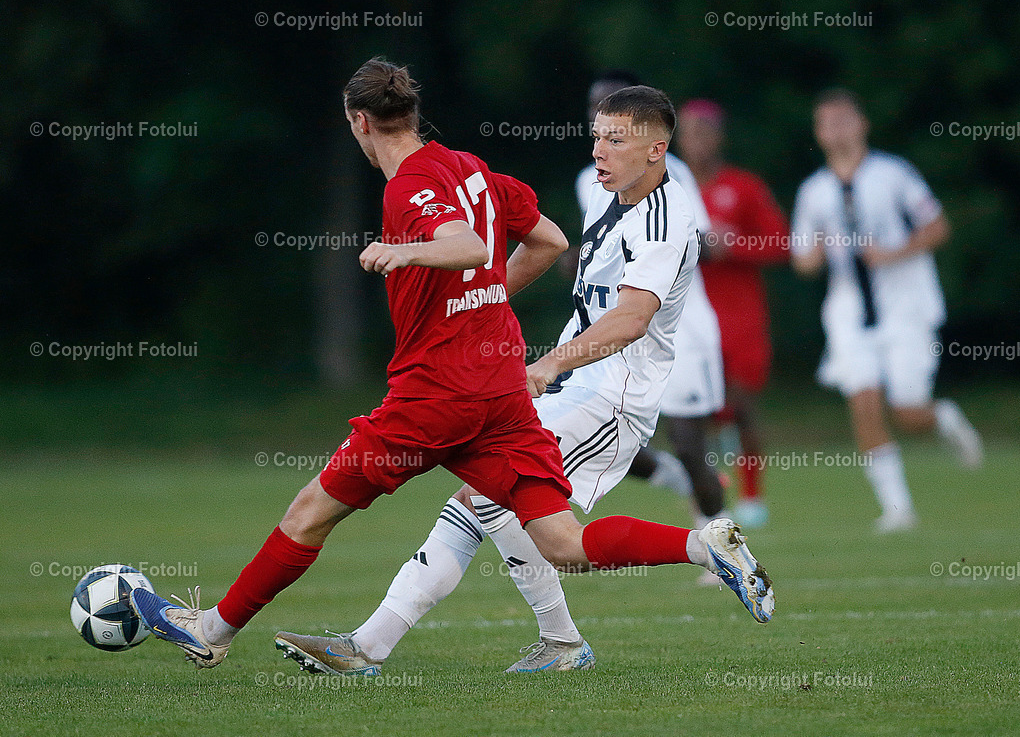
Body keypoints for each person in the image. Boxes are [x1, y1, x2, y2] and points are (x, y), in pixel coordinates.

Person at [127, 59, 774, 672]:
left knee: (309, 511)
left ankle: (210, 632)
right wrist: (483, 294)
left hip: (436, 395)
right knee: (562, 541)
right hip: (500, 395)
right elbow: (548, 240)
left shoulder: (410, 186)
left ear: (359, 122)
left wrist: (402, 252)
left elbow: (461, 242)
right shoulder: (470, 168)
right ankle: (698, 545)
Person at [791, 87, 983, 533]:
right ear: (818, 133)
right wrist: (813, 254)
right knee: (863, 401)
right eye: (827, 121)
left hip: (905, 306)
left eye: (844, 119)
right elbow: (802, 260)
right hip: (849, 310)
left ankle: (944, 417)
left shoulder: (893, 174)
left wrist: (894, 252)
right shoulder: (814, 191)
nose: (836, 129)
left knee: (908, 413)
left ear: (862, 124)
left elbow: (936, 226)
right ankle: (898, 508)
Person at [577, 72, 730, 533]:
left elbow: (696, 239)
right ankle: (679, 482)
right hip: (618, 327)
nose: (599, 118)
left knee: (688, 442)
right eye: (594, 108)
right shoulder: (590, 177)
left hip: (675, 325)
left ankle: (721, 535)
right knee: (601, 437)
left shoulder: (668, 170)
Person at [676, 99, 790, 529]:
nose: (697, 142)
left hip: (740, 317)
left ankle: (752, 495)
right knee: (698, 416)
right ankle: (709, 499)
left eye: (705, 131)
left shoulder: (742, 186)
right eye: (689, 132)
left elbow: (781, 243)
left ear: (719, 136)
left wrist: (733, 244)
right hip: (690, 321)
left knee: (740, 406)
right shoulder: (671, 188)